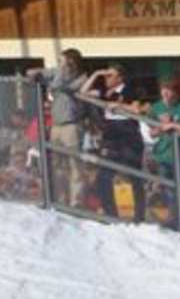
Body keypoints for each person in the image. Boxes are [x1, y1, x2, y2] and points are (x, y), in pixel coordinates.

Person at [84, 65, 146, 223]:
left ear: (120, 78)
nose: (106, 78)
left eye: (110, 75)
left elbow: (137, 109)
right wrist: (96, 73)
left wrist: (119, 105)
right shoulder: (104, 92)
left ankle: (138, 217)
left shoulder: (128, 90)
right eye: (106, 75)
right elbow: (83, 93)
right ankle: (111, 215)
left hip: (129, 137)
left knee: (134, 177)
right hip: (111, 138)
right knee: (103, 177)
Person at [27, 48, 88, 206]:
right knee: (57, 165)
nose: (60, 63)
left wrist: (60, 71)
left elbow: (59, 86)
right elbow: (35, 74)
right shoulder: (57, 71)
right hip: (56, 125)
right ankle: (60, 199)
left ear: (71, 61)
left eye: (62, 60)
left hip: (71, 125)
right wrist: (36, 73)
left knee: (75, 165)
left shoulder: (81, 77)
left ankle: (76, 201)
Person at [148, 79, 180, 178]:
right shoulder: (156, 107)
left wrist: (173, 124)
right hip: (162, 156)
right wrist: (162, 126)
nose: (165, 92)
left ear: (176, 92)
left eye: (169, 89)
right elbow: (152, 133)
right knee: (165, 185)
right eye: (163, 89)